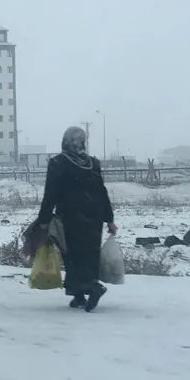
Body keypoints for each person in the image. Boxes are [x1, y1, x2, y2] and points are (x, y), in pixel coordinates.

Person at [37, 126, 118, 312]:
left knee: (72, 255)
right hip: (94, 217)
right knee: (89, 256)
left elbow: (51, 193)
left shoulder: (59, 162)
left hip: (71, 217)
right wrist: (109, 219)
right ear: (82, 142)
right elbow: (101, 192)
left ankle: (92, 288)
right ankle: (79, 296)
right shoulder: (92, 163)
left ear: (65, 141)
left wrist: (44, 219)